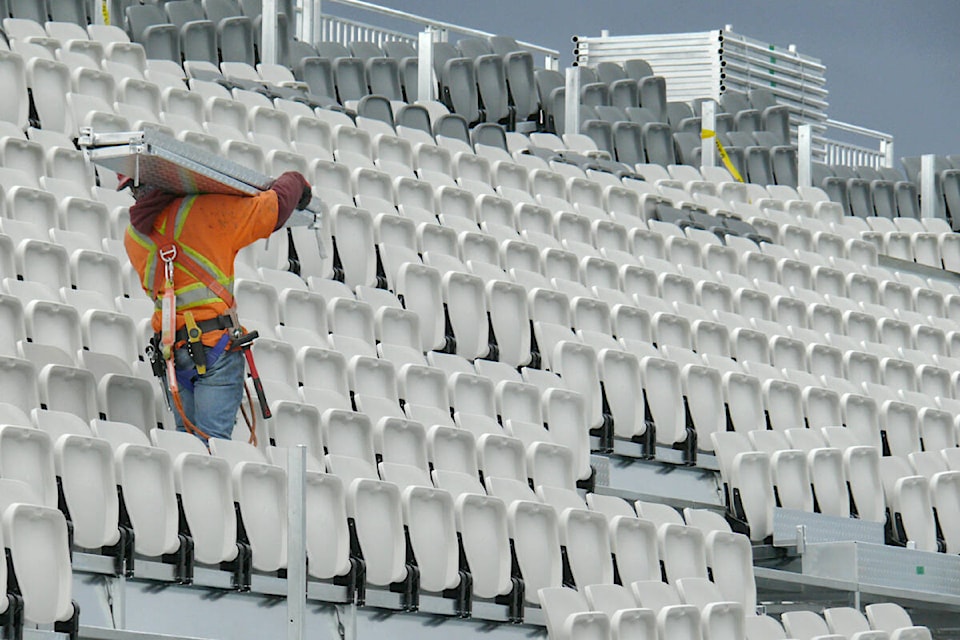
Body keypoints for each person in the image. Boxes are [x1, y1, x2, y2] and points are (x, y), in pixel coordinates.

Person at [122, 171, 312, 441]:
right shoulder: (205, 210)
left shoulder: (133, 238)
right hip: (214, 347)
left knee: (188, 447)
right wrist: (296, 180)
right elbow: (275, 208)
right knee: (214, 449)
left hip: (173, 354)